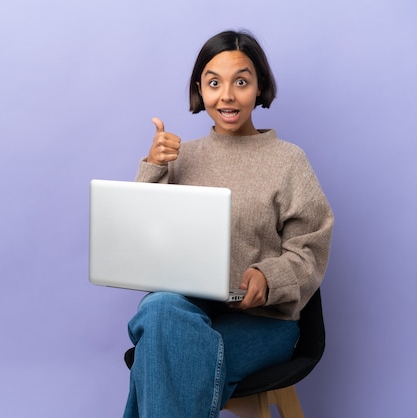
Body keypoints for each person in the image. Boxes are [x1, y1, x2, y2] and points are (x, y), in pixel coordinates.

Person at [123, 30, 334, 418]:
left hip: (263, 322)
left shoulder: (288, 161)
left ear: (259, 88)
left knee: (162, 354)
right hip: (189, 310)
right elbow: (143, 237)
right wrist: (154, 165)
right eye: (214, 83)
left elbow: (310, 248)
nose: (227, 95)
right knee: (160, 310)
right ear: (199, 90)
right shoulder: (181, 156)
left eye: (241, 81)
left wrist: (269, 277)